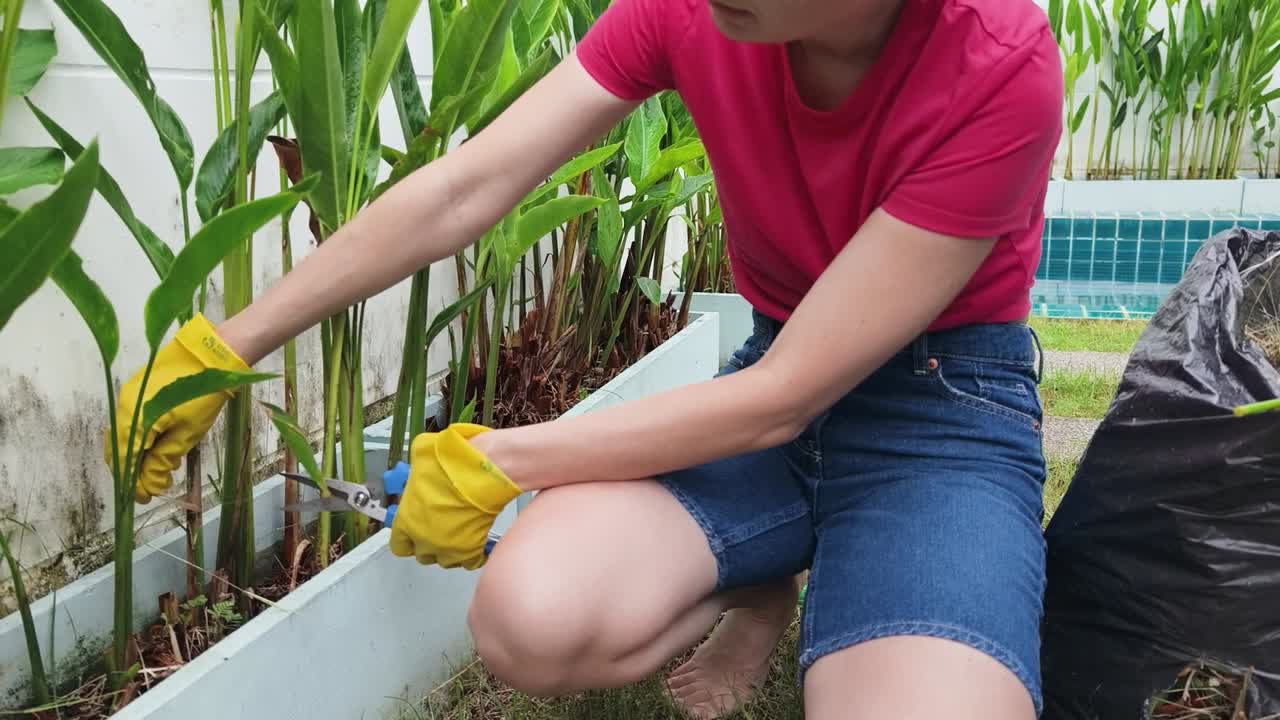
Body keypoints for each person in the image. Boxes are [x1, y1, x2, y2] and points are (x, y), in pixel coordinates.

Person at [107, 0, 1064, 717]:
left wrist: (504, 459)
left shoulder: (996, 63)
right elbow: (463, 190)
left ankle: (816, 573)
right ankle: (761, 577)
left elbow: (782, 399)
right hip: (775, 388)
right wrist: (221, 350)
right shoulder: (692, 11)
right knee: (531, 615)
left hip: (938, 414)